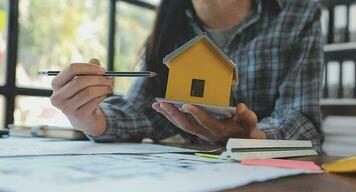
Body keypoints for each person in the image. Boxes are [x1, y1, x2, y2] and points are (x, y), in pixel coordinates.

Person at [50, 0, 324, 151]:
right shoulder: (169, 24)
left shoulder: (298, 13)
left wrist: (252, 137)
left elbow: (304, 124)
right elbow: (143, 110)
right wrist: (91, 118)